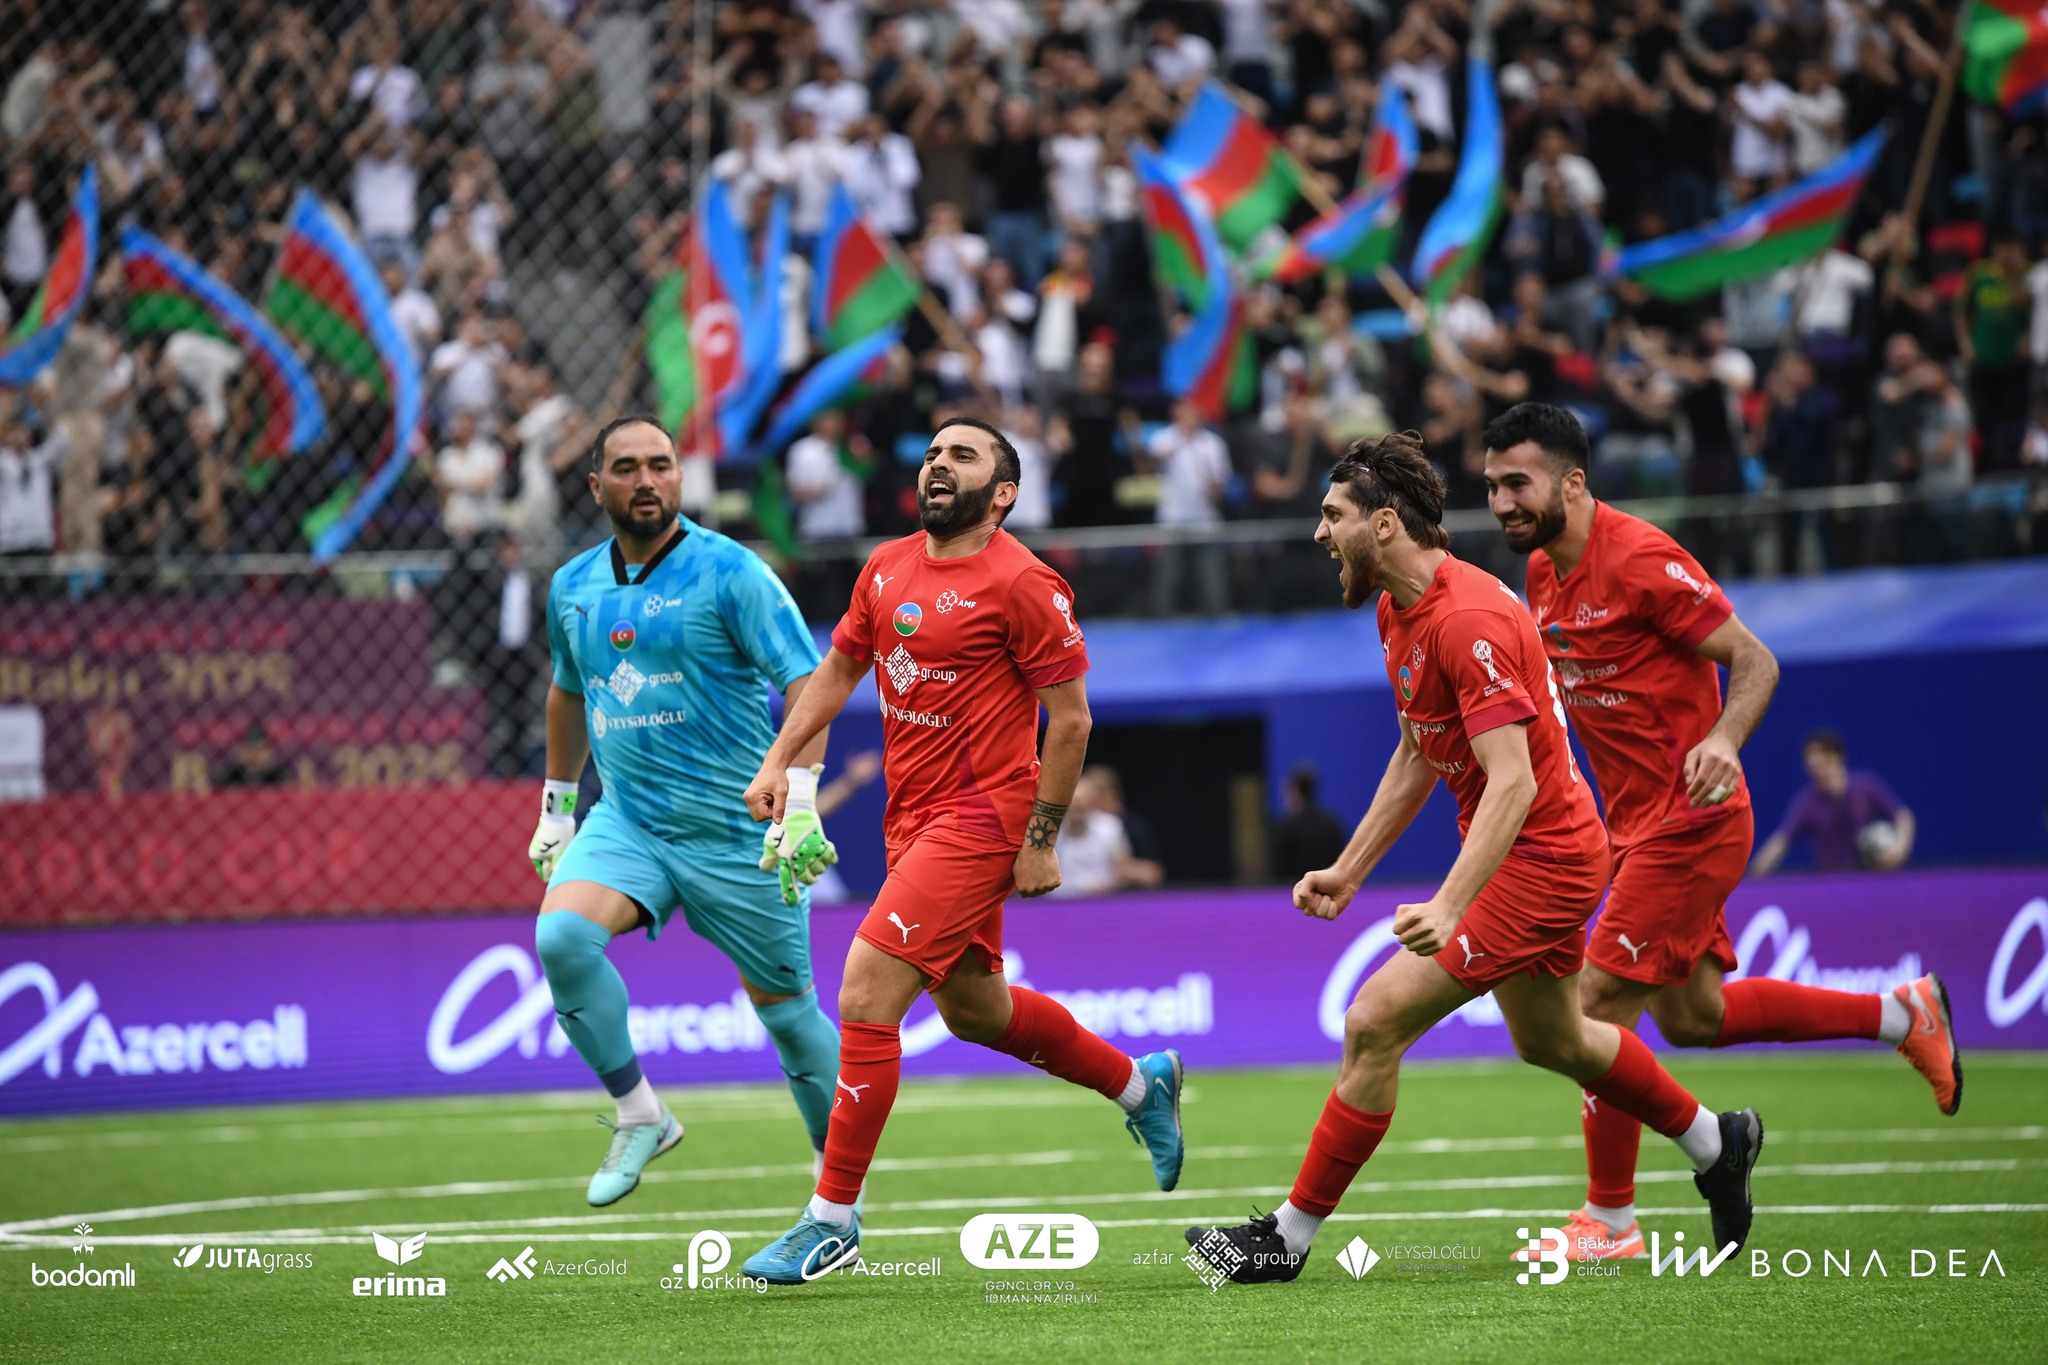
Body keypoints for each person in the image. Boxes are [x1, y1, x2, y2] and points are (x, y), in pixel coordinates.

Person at [1185, 431, 1761, 1285]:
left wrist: (1451, 904)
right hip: (1536, 851)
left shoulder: (1467, 619)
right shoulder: (1399, 609)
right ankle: (1718, 1140)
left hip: (1545, 860)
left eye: (1333, 515)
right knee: (1559, 1038)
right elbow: (1418, 749)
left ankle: (1287, 1235)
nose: (1319, 533)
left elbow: (1513, 781)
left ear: (1384, 524)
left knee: (1373, 1020)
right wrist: (1351, 867)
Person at [1482, 403, 1960, 1264]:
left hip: (1690, 821)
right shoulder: (1542, 574)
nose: (1502, 502)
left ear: (1573, 482)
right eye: (1492, 486)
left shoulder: (1640, 558)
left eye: (1517, 482)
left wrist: (1724, 740)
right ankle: (1902, 1013)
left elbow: (1755, 659)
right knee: (1694, 1016)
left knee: (1594, 1008)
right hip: (1635, 830)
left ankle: (1612, 1219)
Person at [738, 417, 1186, 1284]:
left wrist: (1041, 840)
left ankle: (831, 1219)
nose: (939, 463)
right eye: (933, 452)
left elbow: (1072, 720)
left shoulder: (1025, 582)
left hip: (984, 816)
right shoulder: (886, 565)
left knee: (865, 991)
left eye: (963, 455)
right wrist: (777, 761)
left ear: (1003, 492)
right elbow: (836, 673)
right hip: (910, 819)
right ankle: (1142, 1084)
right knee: (976, 1011)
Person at [526, 417, 845, 1208]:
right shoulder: (572, 585)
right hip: (629, 821)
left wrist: (802, 797)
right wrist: (558, 809)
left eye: (660, 465)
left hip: (739, 831)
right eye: (626, 467)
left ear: (679, 476)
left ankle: (836, 1190)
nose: (646, 480)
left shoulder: (731, 571)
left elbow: (809, 683)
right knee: (561, 938)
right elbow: (567, 693)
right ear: (595, 485)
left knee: (791, 1018)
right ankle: (641, 1112)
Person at [1753, 731, 1917, 875]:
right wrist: (1754, 875)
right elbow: (1782, 840)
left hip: (1868, 878)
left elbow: (1903, 816)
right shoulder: (1807, 802)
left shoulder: (1867, 788)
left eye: (1821, 760)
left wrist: (1900, 849)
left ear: (1837, 757)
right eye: (1811, 762)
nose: (1815, 767)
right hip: (1831, 881)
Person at [1270, 763, 1346, 879]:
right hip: (1327, 887)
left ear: (1295, 791)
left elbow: (1278, 870)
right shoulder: (1331, 824)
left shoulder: (1286, 827)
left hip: (1296, 888)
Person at [213, 722, 291, 788]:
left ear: (270, 751)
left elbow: (290, 791)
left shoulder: (278, 774)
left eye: (260, 750)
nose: (255, 755)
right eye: (250, 749)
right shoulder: (230, 773)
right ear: (241, 750)